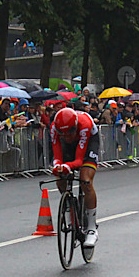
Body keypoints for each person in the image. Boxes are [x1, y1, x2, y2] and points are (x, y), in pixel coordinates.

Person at [50, 107, 100, 252]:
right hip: (70, 146)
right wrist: (59, 167)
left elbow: (79, 160)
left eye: (69, 132)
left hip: (89, 142)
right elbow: (57, 156)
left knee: (85, 180)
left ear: (75, 127)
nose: (66, 137)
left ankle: (91, 229)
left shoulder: (84, 126)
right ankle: (68, 209)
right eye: (62, 134)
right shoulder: (54, 129)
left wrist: (68, 165)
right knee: (60, 175)